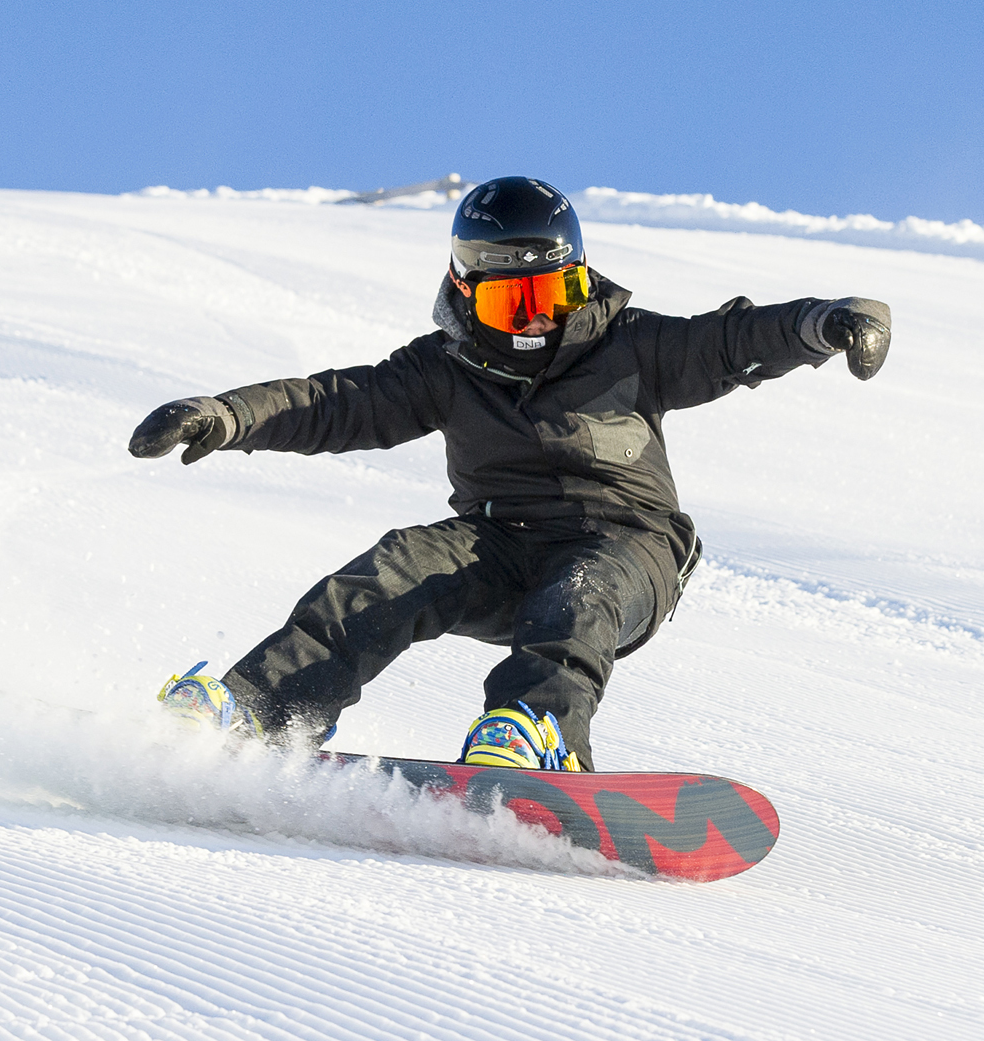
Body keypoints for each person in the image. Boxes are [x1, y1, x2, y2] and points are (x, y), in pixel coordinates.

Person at [130, 177, 890, 772]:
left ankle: (536, 733)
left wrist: (825, 322)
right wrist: (227, 414)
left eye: (551, 294)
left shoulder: (632, 345)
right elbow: (339, 402)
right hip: (498, 543)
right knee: (393, 570)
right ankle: (262, 712)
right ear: (466, 290)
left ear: (579, 281)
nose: (532, 319)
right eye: (510, 297)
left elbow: (733, 341)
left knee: (577, 600)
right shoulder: (446, 367)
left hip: (627, 548)